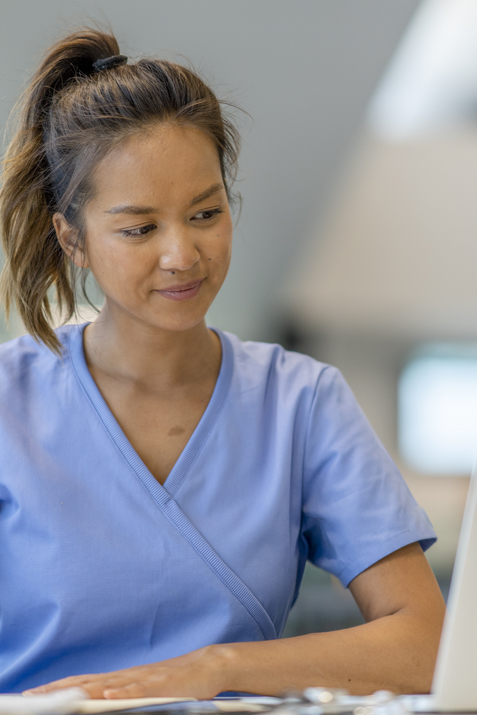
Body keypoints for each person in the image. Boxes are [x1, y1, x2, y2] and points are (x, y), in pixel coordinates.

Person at [0, 28, 445, 699]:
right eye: (140, 228)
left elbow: (421, 643)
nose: (182, 253)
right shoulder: (10, 399)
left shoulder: (300, 401)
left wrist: (217, 668)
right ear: (73, 238)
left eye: (204, 212)